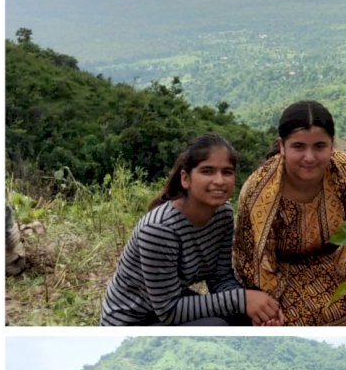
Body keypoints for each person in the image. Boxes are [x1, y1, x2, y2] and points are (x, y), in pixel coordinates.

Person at [233, 100, 346, 327]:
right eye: (298, 147)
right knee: (293, 319)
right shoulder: (259, 191)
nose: (310, 157)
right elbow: (254, 263)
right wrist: (269, 303)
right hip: (283, 275)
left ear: (332, 145)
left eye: (319, 146)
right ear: (282, 146)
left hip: (341, 262)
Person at [101, 134, 280, 326]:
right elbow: (169, 311)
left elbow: (220, 278)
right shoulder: (159, 229)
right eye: (207, 171)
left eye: (227, 172)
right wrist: (242, 299)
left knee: (248, 318)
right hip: (132, 322)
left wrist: (258, 311)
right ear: (185, 179)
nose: (219, 180)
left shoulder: (223, 215)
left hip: (169, 306)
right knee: (216, 326)